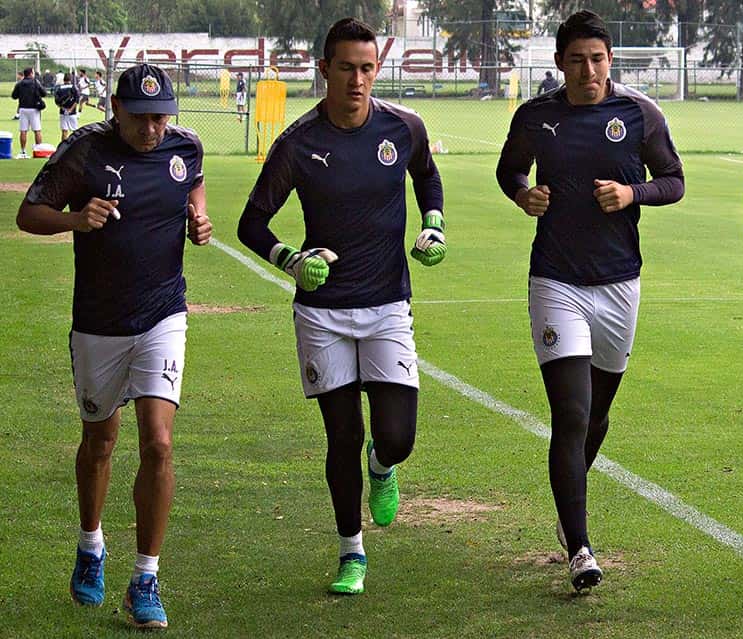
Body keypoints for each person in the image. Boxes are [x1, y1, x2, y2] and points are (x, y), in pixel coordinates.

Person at [237, 17, 445, 596]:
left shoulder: (404, 128)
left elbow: (427, 178)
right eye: (347, 68)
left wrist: (434, 226)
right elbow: (251, 223)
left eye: (367, 68)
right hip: (322, 312)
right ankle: (351, 553)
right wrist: (291, 259)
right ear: (323, 69)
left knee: (396, 436)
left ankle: (384, 467)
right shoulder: (299, 144)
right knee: (341, 436)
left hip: (386, 306)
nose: (358, 80)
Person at [16, 63, 211, 629]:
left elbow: (192, 183)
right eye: (143, 118)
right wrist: (76, 218)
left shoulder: (185, 147)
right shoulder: (84, 151)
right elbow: (29, 214)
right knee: (99, 443)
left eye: (162, 117)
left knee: (159, 443)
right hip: (99, 322)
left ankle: (145, 577)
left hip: (163, 314)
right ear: (116, 110)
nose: (154, 129)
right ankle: (90, 544)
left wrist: (198, 217)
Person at [496, 9, 684, 592]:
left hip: (620, 282)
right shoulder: (537, 116)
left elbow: (674, 180)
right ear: (560, 63)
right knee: (571, 414)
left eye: (598, 58)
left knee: (597, 415)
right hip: (556, 280)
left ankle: (567, 502)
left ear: (610, 60)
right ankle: (579, 545)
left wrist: (634, 192)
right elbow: (509, 172)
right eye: (577, 59)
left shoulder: (637, 113)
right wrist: (524, 194)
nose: (589, 70)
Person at [11, 67, 47, 159]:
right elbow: (44, 93)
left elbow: (14, 96)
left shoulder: (19, 83)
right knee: (37, 130)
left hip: (23, 108)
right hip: (34, 109)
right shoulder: (35, 82)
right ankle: (38, 150)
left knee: (23, 131)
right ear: (31, 73)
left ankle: (23, 151)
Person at [54, 72, 81, 141]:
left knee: (64, 131)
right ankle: (75, 147)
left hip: (63, 112)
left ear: (64, 80)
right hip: (72, 113)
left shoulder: (59, 88)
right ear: (70, 79)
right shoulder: (73, 87)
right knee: (75, 132)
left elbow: (56, 101)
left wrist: (62, 108)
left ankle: (63, 148)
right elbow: (77, 101)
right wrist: (71, 109)